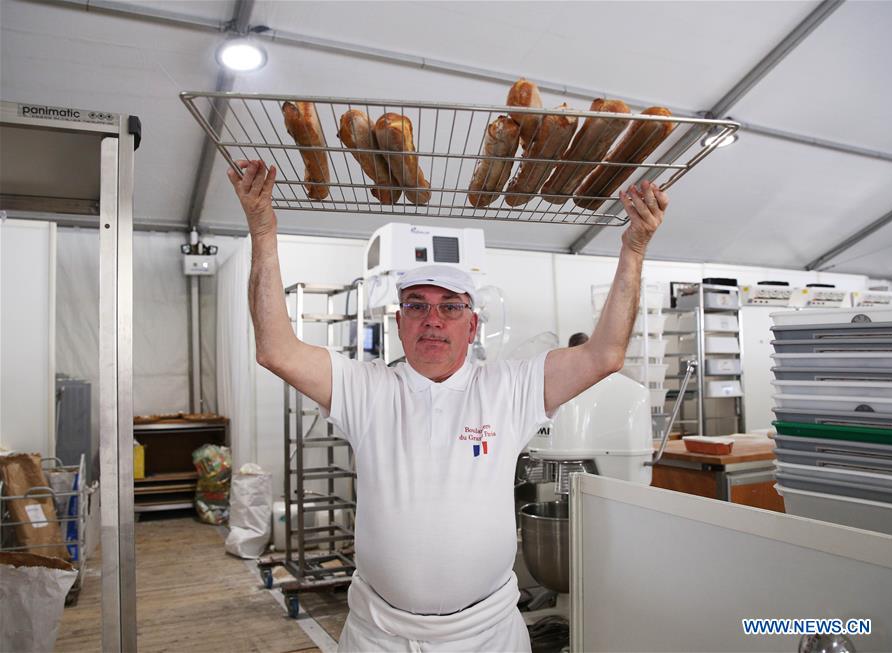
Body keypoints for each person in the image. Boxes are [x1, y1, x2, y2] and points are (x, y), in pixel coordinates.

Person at [227, 159, 668, 652]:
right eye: (416, 305)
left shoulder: (510, 386)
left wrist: (633, 248)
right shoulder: (366, 389)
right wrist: (262, 229)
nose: (432, 320)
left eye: (450, 307)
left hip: (486, 636)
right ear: (399, 323)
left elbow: (605, 354)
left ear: (472, 325)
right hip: (380, 635)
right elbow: (275, 349)